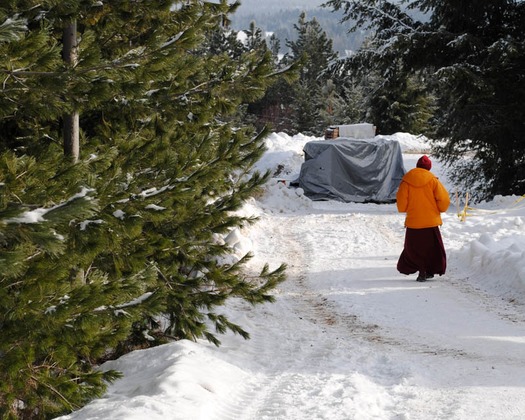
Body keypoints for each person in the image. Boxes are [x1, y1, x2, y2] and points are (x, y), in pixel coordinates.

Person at [396, 155, 450, 282]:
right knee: (432, 250)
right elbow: (444, 199)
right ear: (429, 168)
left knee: (415, 250)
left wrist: (406, 209)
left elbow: (402, 202)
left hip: (414, 223)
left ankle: (422, 271)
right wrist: (440, 209)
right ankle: (429, 270)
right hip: (431, 222)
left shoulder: (407, 181)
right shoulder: (433, 181)